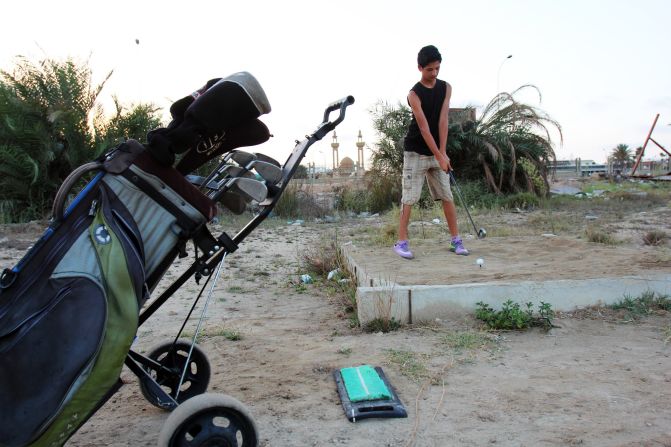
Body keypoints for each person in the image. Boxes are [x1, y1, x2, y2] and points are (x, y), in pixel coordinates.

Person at [393, 45, 469, 259]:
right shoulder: (414, 94)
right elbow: (425, 128)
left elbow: (443, 120)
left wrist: (443, 153)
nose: (434, 73)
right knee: (409, 197)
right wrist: (438, 155)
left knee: (447, 195)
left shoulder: (446, 88)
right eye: (429, 69)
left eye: (437, 68)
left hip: (437, 150)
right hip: (415, 152)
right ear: (419, 68)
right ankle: (401, 242)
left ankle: (456, 241)